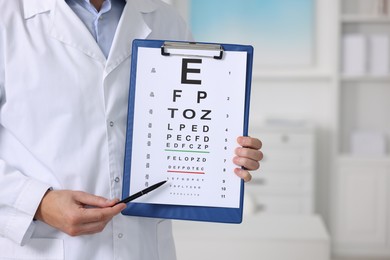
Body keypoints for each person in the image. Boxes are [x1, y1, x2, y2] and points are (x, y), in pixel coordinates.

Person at [0, 0, 263, 259]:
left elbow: (187, 117)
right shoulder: (7, 17)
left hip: (142, 247)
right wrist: (38, 203)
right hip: (44, 248)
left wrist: (225, 154)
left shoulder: (164, 18)